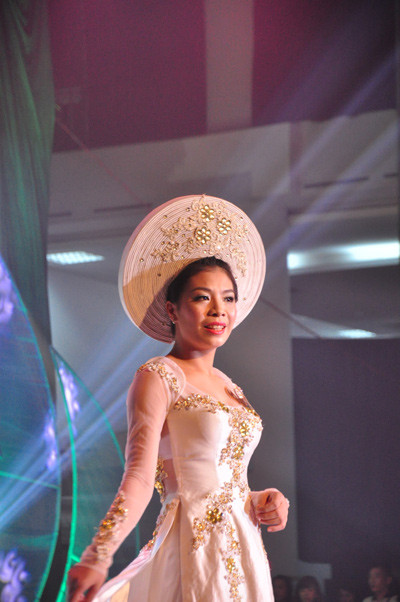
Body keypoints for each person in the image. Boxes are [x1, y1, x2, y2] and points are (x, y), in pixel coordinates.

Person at [67, 194, 290, 602]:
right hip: (193, 548)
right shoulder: (158, 376)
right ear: (172, 310)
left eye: (228, 297)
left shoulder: (230, 386)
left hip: (245, 551)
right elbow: (139, 476)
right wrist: (98, 555)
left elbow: (226, 480)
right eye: (202, 297)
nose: (218, 310)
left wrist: (260, 500)